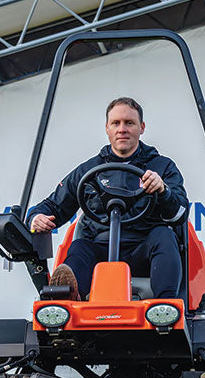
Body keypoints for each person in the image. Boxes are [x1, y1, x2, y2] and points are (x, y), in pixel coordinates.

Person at [27, 97, 189, 301]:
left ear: (141, 127)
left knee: (164, 236)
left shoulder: (162, 167)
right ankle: (67, 300)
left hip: (144, 249)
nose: (122, 129)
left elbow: (180, 214)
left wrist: (163, 191)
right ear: (107, 128)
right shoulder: (89, 171)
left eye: (129, 123)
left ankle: (166, 306)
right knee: (79, 248)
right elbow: (53, 206)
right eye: (116, 123)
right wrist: (35, 218)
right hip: (100, 248)